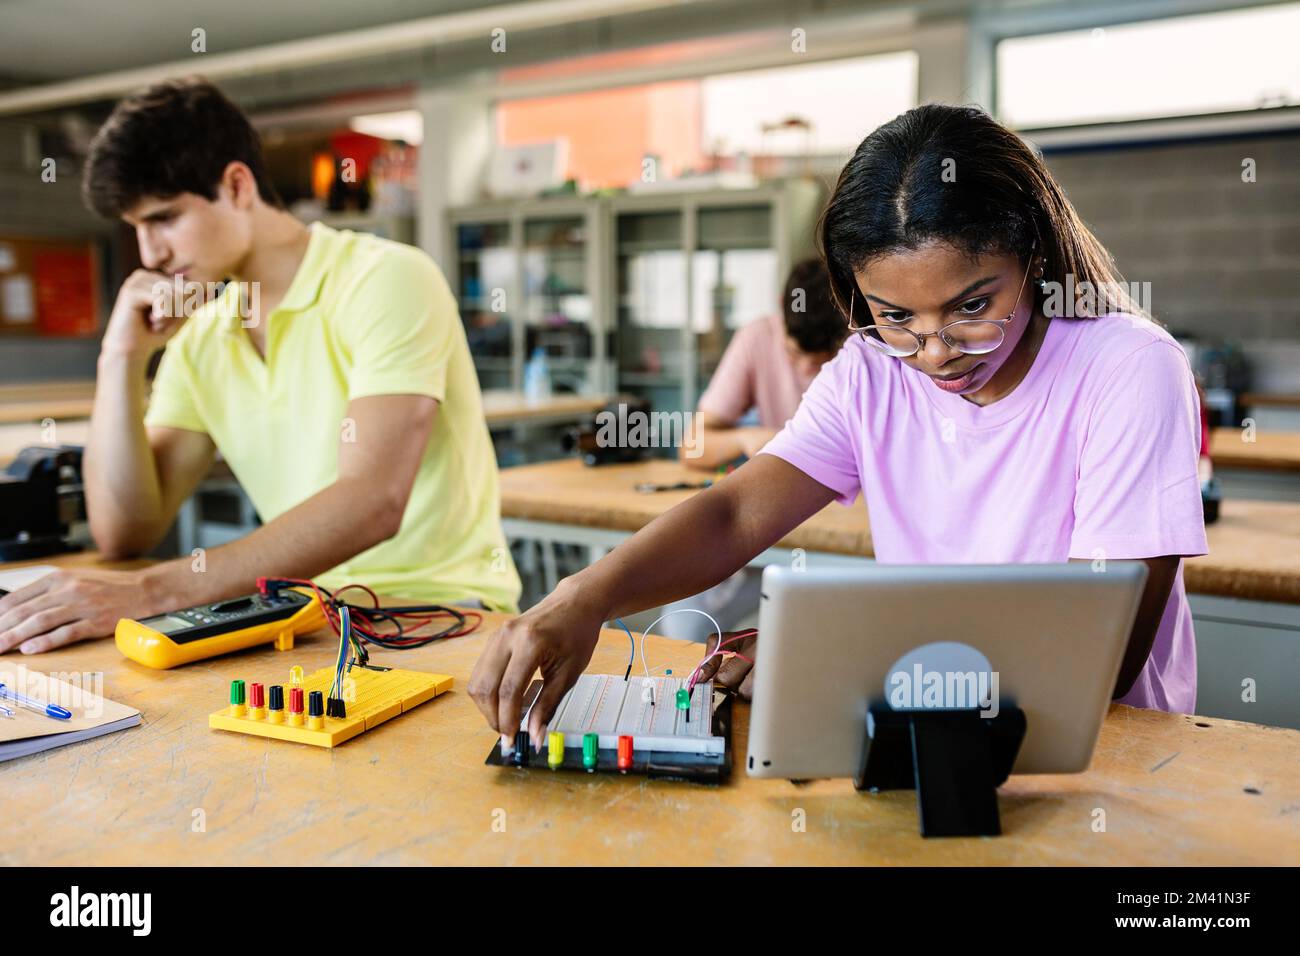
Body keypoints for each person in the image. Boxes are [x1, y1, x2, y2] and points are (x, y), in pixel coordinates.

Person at [469, 103, 1207, 749]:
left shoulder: (1128, 368)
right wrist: (582, 598)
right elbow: (731, 514)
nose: (938, 352)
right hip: (924, 734)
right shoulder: (867, 372)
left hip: (1107, 757)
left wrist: (844, 666)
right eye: (895, 317)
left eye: (973, 307)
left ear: (1032, 255)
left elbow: (1095, 656)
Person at [0, 77, 520, 655]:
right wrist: (119, 357)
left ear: (237, 185)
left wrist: (150, 592)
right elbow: (125, 531)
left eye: (165, 218)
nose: (150, 254)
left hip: (440, 617)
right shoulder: (203, 335)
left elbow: (373, 502)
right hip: (303, 620)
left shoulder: (386, 277)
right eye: (137, 228)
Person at [683, 257, 846, 471]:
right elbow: (692, 446)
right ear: (781, 306)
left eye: (823, 358)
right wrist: (744, 438)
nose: (806, 369)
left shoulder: (865, 347)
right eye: (794, 353)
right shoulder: (757, 338)